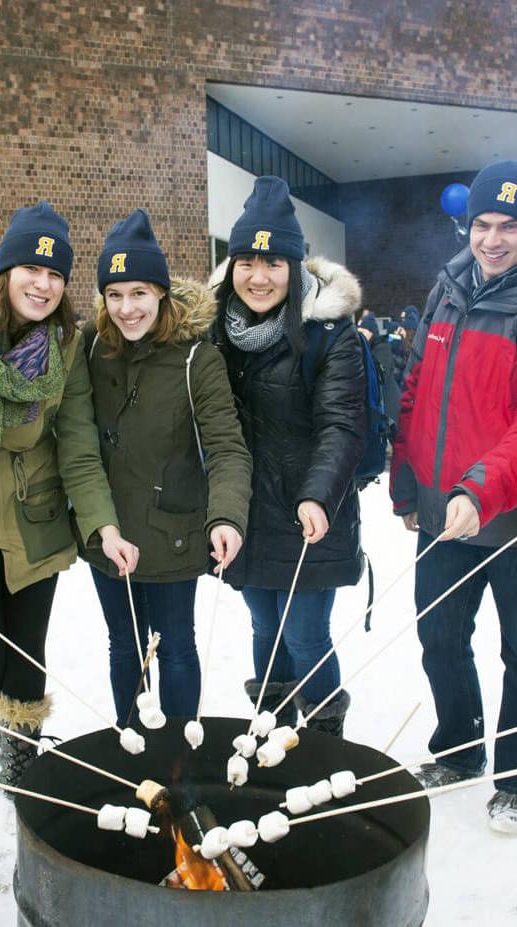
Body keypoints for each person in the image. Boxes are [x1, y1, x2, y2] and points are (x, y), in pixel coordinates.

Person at [390, 159, 517, 834]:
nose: (493, 238)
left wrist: (479, 489)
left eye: (510, 225)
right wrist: (406, 471)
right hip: (444, 511)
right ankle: (457, 745)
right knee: (438, 634)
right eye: (482, 223)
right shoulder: (447, 289)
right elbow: (418, 383)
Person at [0, 200, 139, 784]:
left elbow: (76, 445)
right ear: (5, 270)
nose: (43, 285)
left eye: (55, 275)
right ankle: (6, 730)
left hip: (32, 527)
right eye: (31, 270)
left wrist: (103, 525)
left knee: (24, 662)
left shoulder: (66, 344)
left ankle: (22, 776)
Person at [210, 176, 366, 737]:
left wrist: (318, 494)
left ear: (295, 268)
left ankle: (326, 743)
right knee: (262, 627)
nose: (258, 276)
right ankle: (271, 736)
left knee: (303, 634)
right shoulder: (214, 334)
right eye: (247, 262)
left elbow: (343, 425)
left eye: (274, 262)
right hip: (248, 513)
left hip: (308, 514)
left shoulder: (329, 335)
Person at [82, 209, 251, 720]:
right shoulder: (92, 347)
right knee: (124, 645)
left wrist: (225, 516)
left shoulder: (196, 357)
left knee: (175, 644)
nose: (127, 308)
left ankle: (180, 754)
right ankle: (131, 744)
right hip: (108, 533)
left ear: (160, 291)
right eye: (114, 295)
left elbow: (227, 447)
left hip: (172, 530)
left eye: (138, 293)